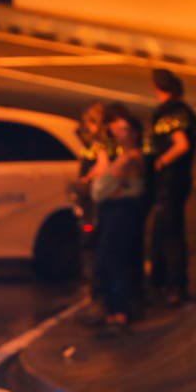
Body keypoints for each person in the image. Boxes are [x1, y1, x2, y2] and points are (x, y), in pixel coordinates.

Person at [145, 67, 196, 307]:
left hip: (170, 181)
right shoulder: (186, 111)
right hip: (178, 180)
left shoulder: (170, 114)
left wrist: (160, 161)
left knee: (169, 234)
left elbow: (181, 144)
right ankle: (162, 282)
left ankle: (175, 285)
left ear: (157, 88)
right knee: (163, 232)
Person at [90, 104, 147, 330]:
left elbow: (102, 190)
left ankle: (120, 311)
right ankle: (113, 309)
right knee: (106, 262)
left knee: (115, 261)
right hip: (110, 212)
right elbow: (101, 191)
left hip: (123, 214)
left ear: (133, 133)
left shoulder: (133, 157)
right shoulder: (117, 155)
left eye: (124, 129)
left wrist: (112, 174)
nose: (117, 132)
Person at [72, 102, 113, 311]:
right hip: (89, 199)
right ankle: (96, 290)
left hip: (95, 200)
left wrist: (87, 178)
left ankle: (98, 292)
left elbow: (103, 165)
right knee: (90, 244)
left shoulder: (102, 142)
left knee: (92, 244)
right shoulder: (93, 142)